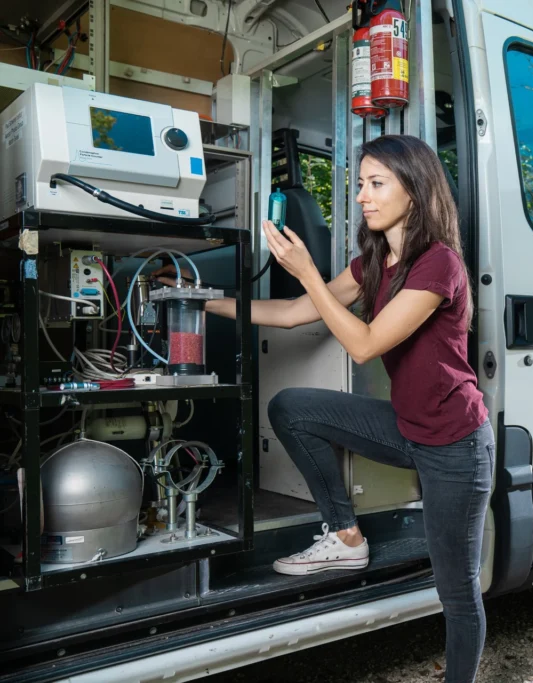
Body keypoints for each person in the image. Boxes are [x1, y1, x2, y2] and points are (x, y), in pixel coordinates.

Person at [156, 135, 493, 683]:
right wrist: (196, 300)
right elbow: (293, 312)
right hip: (408, 428)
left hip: (456, 445)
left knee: (456, 590)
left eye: (376, 183)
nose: (362, 195)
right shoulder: (377, 263)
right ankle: (346, 537)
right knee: (291, 407)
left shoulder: (439, 265)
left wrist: (308, 269)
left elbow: (365, 343)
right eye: (360, 183)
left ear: (415, 188)